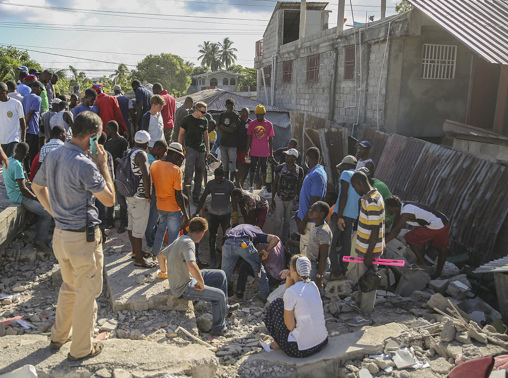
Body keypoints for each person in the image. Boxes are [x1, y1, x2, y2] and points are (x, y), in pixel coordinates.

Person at [32, 111, 115, 361]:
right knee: (87, 293)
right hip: (83, 238)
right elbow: (109, 200)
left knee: (69, 287)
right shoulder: (85, 163)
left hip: (61, 235)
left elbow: (37, 187)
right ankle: (81, 348)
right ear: (92, 136)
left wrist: (55, 213)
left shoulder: (54, 153)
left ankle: (59, 335)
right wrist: (102, 164)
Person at [158, 217, 239, 335]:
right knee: (219, 295)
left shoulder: (181, 239)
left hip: (187, 277)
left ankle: (224, 308)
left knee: (221, 275)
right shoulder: (189, 243)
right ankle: (219, 329)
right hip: (183, 288)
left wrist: (164, 271)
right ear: (202, 233)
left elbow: (161, 255)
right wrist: (200, 282)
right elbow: (191, 264)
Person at [264, 255, 328, 357]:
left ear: (292, 268)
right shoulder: (313, 286)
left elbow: (290, 326)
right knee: (287, 305)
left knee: (276, 304)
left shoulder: (292, 292)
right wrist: (290, 277)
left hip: (301, 349)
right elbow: (291, 298)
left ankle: (277, 344)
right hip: (322, 341)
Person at [344, 171, 385, 327]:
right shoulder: (371, 197)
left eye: (354, 187)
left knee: (370, 280)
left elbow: (375, 230)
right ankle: (360, 304)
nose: (355, 190)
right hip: (366, 248)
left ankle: (365, 314)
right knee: (363, 278)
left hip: (370, 250)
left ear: (359, 183)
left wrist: (369, 254)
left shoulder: (372, 201)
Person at [3, 142, 52, 253]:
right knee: (46, 213)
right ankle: (40, 242)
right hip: (19, 197)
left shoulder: (10, 160)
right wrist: (36, 198)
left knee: (41, 203)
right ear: (26, 154)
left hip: (12, 194)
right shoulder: (17, 165)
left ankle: (36, 229)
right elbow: (23, 189)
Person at [385, 195, 450, 279]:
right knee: (442, 249)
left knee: (410, 238)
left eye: (387, 208)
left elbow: (397, 230)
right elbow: (395, 227)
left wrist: (383, 243)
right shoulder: (401, 207)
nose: (387, 210)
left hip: (435, 225)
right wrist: (388, 235)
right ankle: (437, 274)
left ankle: (421, 263)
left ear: (393, 208)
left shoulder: (406, 212)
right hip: (444, 222)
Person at [222, 224, 280, 302]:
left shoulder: (240, 228)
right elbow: (275, 239)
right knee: (258, 268)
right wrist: (266, 251)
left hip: (227, 242)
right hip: (243, 242)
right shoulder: (257, 233)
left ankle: (220, 298)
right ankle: (265, 295)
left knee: (224, 274)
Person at [150, 142, 189, 258]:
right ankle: (172, 260)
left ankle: (155, 253)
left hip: (160, 206)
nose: (180, 160)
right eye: (180, 158)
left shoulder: (154, 165)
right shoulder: (176, 170)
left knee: (161, 229)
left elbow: (153, 188)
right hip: (173, 209)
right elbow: (178, 195)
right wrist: (186, 215)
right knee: (173, 236)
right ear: (176, 155)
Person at [124, 131, 154, 268]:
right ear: (147, 143)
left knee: (131, 224)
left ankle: (136, 253)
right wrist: (148, 195)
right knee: (138, 229)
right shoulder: (141, 154)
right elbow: (146, 176)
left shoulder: (130, 151)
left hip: (130, 194)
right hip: (139, 196)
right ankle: (139, 260)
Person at [195, 167, 235, 268]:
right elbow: (204, 197)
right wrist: (197, 211)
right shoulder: (210, 184)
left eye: (220, 179)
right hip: (213, 214)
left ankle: (224, 256)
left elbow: (234, 199)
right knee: (212, 236)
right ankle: (213, 257)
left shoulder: (229, 184)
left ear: (223, 176)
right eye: (216, 178)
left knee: (226, 236)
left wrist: (236, 213)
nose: (218, 181)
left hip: (226, 214)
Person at [329, 155, 360, 280]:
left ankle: (336, 271)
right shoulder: (360, 177)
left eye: (342, 167)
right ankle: (343, 269)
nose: (341, 170)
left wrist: (340, 215)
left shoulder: (346, 174)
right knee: (346, 244)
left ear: (346, 166)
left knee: (330, 242)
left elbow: (343, 195)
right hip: (352, 215)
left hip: (341, 213)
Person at [296, 147, 327, 256]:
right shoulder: (314, 172)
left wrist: (304, 221)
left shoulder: (317, 174)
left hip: (310, 222)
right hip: (308, 219)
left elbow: (315, 200)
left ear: (308, 158)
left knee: (307, 256)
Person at [178, 101, 210, 204]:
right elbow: (181, 134)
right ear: (197, 110)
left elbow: (206, 135)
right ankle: (185, 195)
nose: (204, 114)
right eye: (202, 112)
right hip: (190, 148)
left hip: (201, 149)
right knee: (188, 172)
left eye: (205, 112)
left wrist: (208, 150)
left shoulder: (204, 121)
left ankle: (196, 196)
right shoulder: (187, 120)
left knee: (199, 173)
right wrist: (180, 148)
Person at [272, 148, 304, 243]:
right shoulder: (280, 168)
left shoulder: (299, 171)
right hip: (280, 197)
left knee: (287, 222)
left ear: (294, 158)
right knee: (278, 222)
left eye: (289, 156)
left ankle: (285, 241)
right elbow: (275, 184)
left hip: (291, 199)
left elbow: (299, 187)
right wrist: (273, 198)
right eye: (286, 155)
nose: (286, 157)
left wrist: (300, 201)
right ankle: (276, 242)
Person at [104, 121, 129, 232]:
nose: (106, 131)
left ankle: (124, 223)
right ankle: (110, 221)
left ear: (114, 129)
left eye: (108, 129)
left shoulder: (122, 141)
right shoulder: (107, 143)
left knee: (121, 201)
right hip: (110, 175)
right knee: (110, 200)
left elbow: (125, 159)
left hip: (119, 176)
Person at [145, 140, 168, 254]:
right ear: (158, 149)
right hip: (153, 193)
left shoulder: (146, 157)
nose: (162, 155)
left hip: (143, 193)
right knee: (152, 218)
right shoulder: (154, 162)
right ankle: (151, 242)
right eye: (162, 152)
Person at [246, 105, 274, 191]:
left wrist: (271, 153)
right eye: (257, 115)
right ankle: (251, 186)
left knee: (264, 169)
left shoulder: (269, 124)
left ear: (264, 114)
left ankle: (264, 188)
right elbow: (249, 138)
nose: (259, 117)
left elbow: (271, 139)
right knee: (252, 168)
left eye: (261, 115)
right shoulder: (252, 124)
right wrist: (247, 150)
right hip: (254, 150)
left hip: (264, 151)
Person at [305, 201, 332, 290]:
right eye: (311, 208)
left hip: (318, 265)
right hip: (312, 263)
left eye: (315, 209)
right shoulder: (317, 226)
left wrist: (319, 276)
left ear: (322, 214)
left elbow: (324, 256)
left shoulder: (323, 231)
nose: (311, 210)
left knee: (315, 289)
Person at [22, 81, 43, 174]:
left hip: (25, 130)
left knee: (25, 152)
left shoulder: (24, 98)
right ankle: (32, 174)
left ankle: (27, 171)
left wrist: (23, 126)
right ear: (38, 88)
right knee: (33, 153)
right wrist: (26, 123)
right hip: (33, 130)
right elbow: (30, 113)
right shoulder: (37, 98)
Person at [0, 82, 26, 157]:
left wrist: (23, 138)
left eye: (1, 93)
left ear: (7, 92)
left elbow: (22, 121)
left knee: (10, 160)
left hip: (14, 138)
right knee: (5, 164)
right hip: (2, 139)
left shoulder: (16, 103)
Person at [217, 98, 239, 183]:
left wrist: (223, 127)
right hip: (223, 143)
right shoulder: (222, 115)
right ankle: (226, 181)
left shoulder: (235, 115)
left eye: (231, 107)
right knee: (225, 165)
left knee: (232, 166)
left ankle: (231, 182)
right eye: (228, 107)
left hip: (232, 145)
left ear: (233, 106)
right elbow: (218, 128)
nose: (229, 108)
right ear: (225, 106)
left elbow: (232, 130)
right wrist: (228, 128)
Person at [236, 107, 251, 188]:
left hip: (245, 148)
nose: (245, 118)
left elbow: (250, 137)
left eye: (247, 116)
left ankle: (240, 183)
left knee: (243, 166)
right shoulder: (237, 122)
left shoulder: (250, 122)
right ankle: (237, 182)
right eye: (243, 116)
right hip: (237, 147)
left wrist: (249, 149)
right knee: (238, 166)